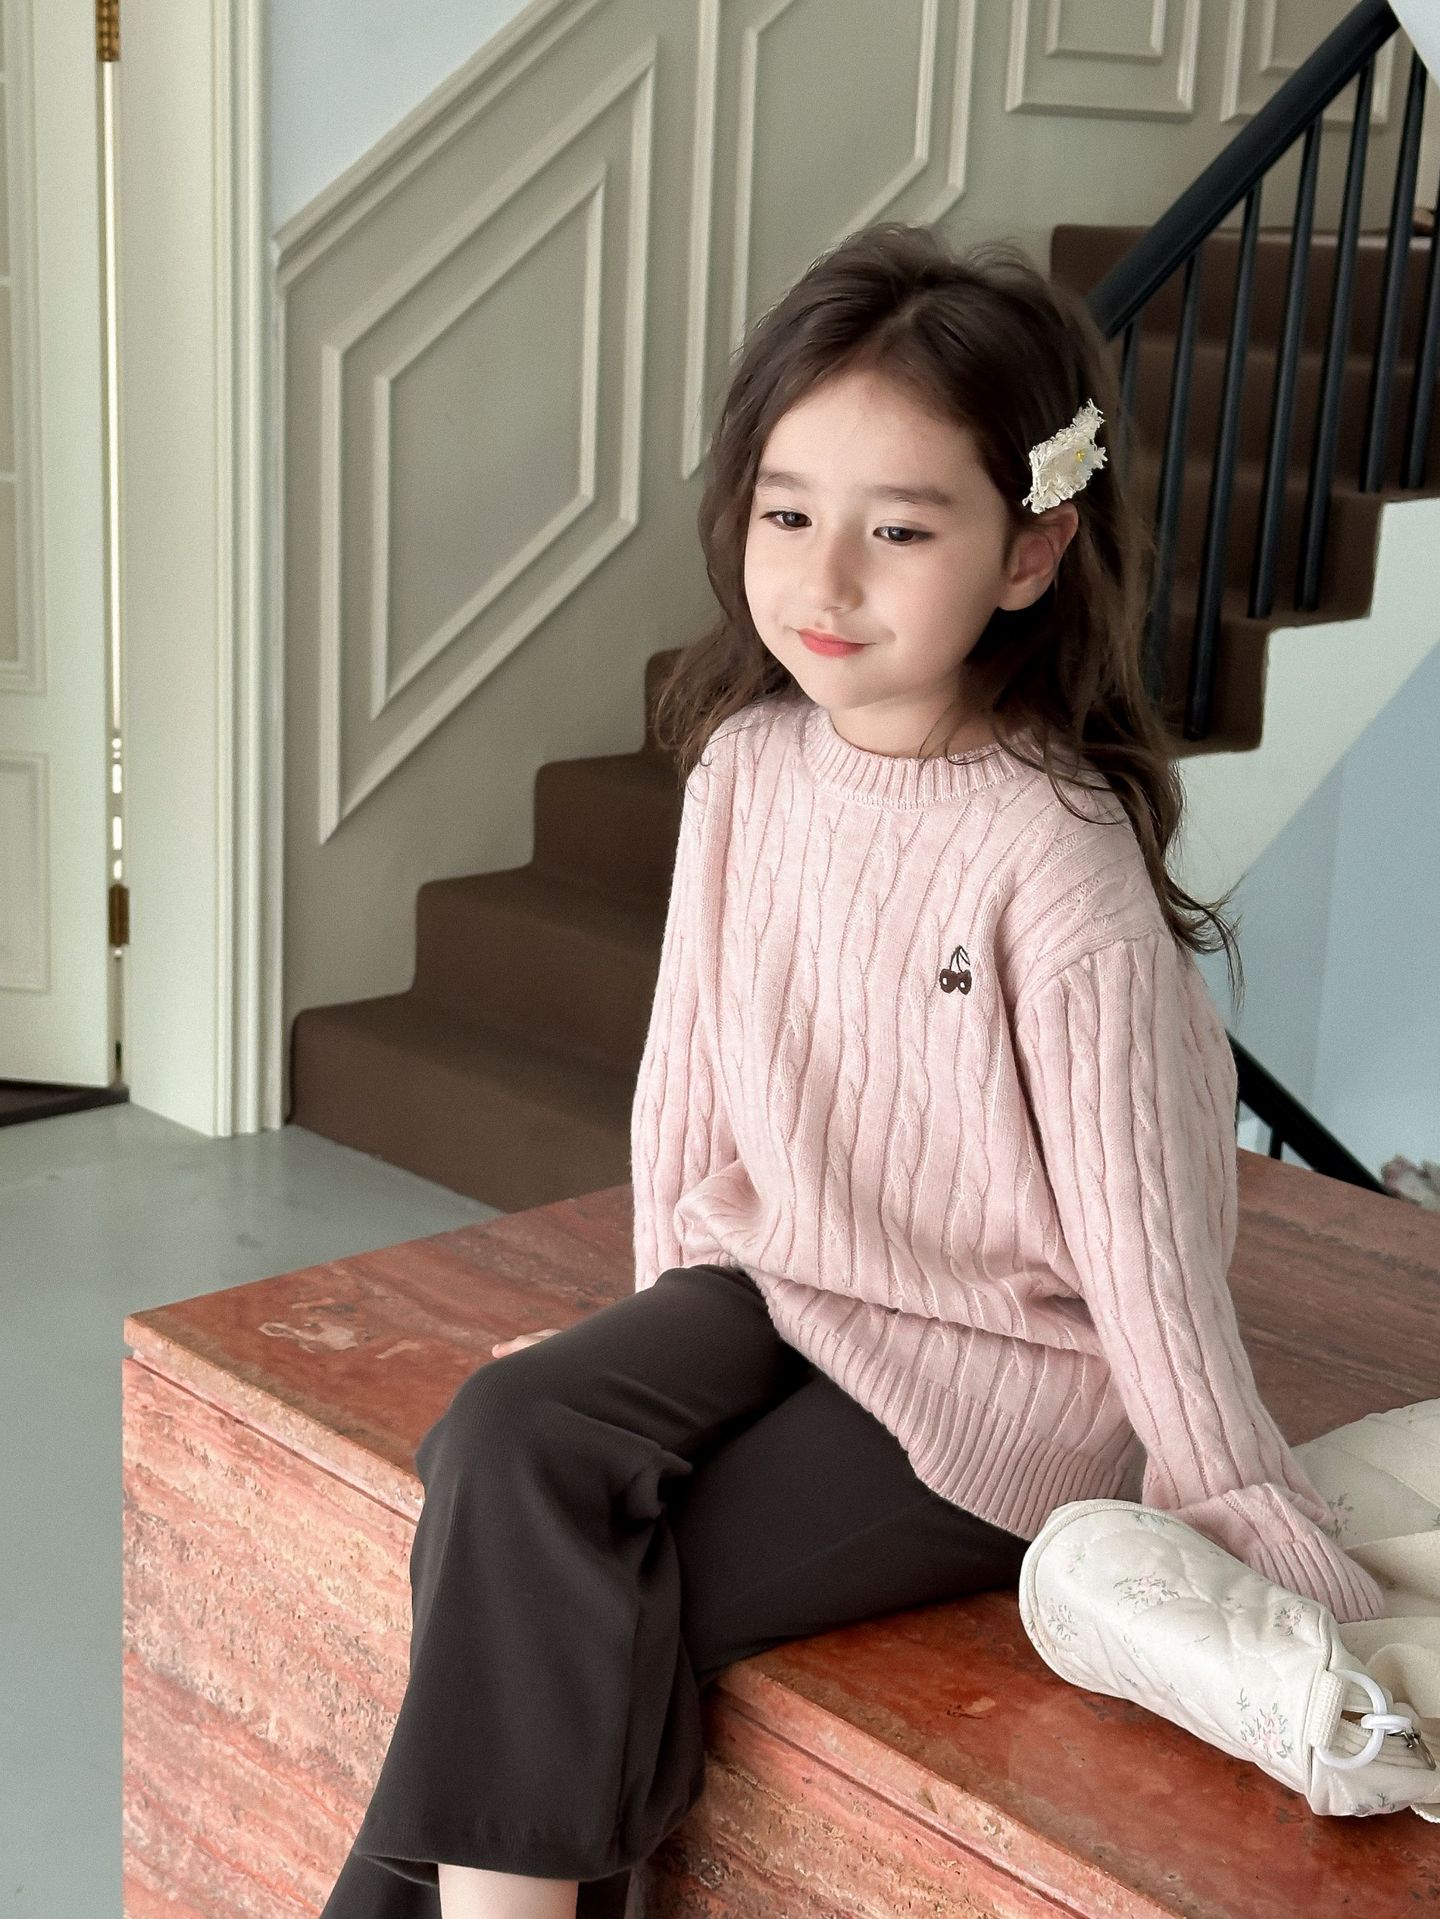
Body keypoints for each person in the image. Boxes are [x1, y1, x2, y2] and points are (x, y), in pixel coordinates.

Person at [318, 222, 1387, 1919]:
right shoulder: (744, 769)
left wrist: (1234, 1498)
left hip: (1001, 1380)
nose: (824, 585)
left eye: (898, 531)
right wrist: (639, 1353)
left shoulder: (1055, 854)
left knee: (572, 1594)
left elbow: (1148, 1244)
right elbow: (687, 1098)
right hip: (778, 1285)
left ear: (1030, 553)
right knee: (513, 1431)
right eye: (787, 515)